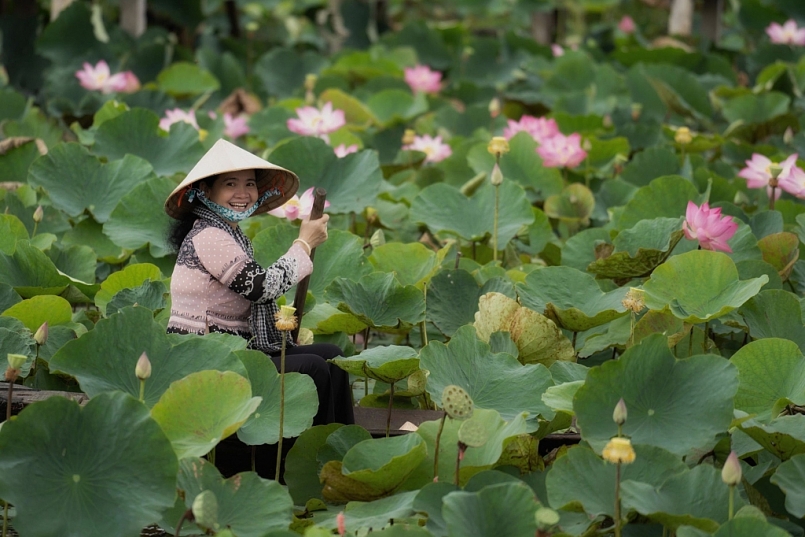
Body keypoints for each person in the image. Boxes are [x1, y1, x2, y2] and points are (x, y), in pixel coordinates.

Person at [164, 138, 354, 427]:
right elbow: (260, 288)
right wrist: (303, 243)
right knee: (313, 367)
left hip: (237, 349)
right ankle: (307, 448)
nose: (243, 194)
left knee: (332, 357)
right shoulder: (208, 236)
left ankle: (336, 443)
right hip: (208, 358)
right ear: (206, 191)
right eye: (230, 184)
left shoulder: (230, 235)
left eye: (250, 184)